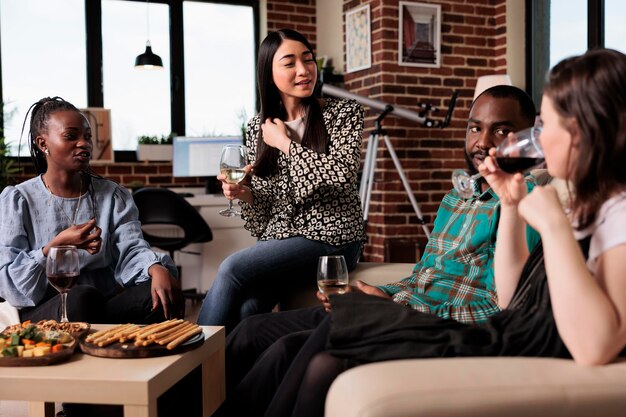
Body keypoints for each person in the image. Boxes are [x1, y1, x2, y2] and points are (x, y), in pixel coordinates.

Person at [262, 48, 626, 417]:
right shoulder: (585, 204)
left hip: (507, 341)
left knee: (336, 340)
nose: (538, 140)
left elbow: (596, 346)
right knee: (332, 335)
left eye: (546, 126)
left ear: (584, 130)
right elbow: (513, 296)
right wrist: (513, 205)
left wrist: (553, 227)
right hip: (507, 328)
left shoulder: (618, 214)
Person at [217, 84, 540, 417]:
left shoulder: (522, 204)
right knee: (252, 331)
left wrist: (394, 308)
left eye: (501, 131)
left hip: (429, 324)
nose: (483, 142)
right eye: (475, 128)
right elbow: (421, 276)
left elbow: (500, 308)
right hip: (399, 305)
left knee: (291, 346)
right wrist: (379, 293)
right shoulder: (456, 196)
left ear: (527, 137)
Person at [196, 29, 366, 330]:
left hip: (335, 239)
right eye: (290, 63)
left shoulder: (344, 113)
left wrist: (286, 144)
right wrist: (245, 192)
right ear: (269, 72)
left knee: (231, 268)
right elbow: (265, 216)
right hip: (282, 241)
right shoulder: (257, 126)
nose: (303, 70)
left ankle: (192, 366)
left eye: (308, 59)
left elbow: (342, 173)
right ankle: (237, 376)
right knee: (250, 308)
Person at [0, 97, 184, 325]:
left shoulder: (113, 195)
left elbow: (131, 249)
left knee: (162, 292)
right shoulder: (18, 200)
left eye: (87, 137)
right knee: (81, 297)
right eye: (71, 136)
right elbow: (8, 280)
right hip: (45, 312)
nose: (83, 143)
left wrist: (154, 268)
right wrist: (54, 247)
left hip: (102, 306)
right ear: (42, 143)